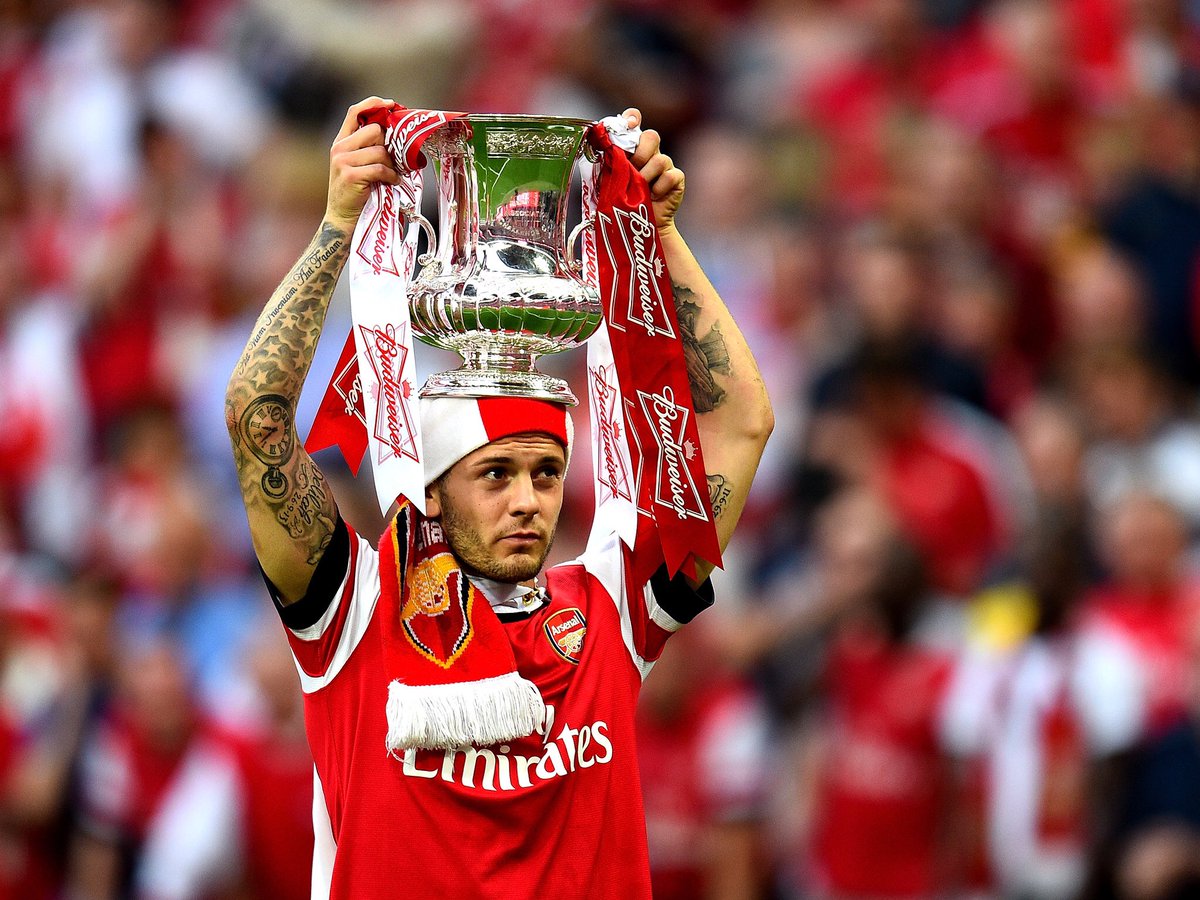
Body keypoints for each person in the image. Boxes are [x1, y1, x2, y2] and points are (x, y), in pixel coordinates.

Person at [223, 97, 773, 899]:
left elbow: (742, 424)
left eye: (545, 474)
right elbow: (258, 418)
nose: (527, 501)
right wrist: (339, 223)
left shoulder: (611, 609)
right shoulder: (355, 611)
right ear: (432, 491)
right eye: (495, 474)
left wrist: (658, 237)